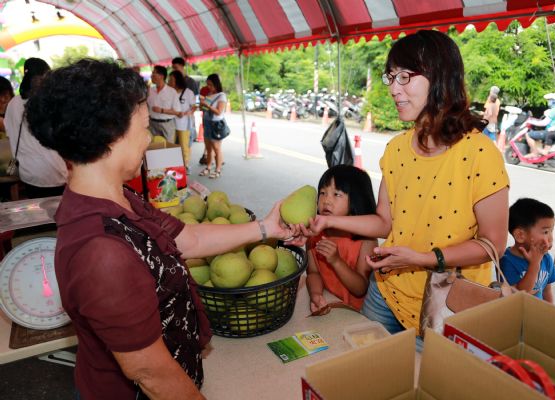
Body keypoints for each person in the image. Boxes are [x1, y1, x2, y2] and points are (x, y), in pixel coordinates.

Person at [25, 59, 300, 400]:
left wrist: (264, 227)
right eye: (144, 126)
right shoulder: (102, 251)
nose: (150, 137)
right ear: (112, 134)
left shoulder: (117, 197)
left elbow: (189, 238)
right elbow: (149, 372)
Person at [301, 30, 509, 338]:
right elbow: (385, 222)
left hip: (443, 305)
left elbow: (493, 245)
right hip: (385, 292)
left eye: (404, 77)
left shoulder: (481, 153)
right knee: (368, 371)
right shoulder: (397, 148)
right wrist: (327, 220)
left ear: (440, 77)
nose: (394, 89)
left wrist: (426, 259)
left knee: (421, 383)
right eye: (390, 78)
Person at [307, 165, 378, 314]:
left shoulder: (366, 239)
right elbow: (313, 273)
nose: (326, 201)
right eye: (323, 193)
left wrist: (336, 261)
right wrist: (316, 295)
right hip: (329, 302)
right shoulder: (314, 234)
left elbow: (360, 288)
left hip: (354, 313)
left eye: (336, 194)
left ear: (356, 200)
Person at [5, 58, 67, 198]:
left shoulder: (13, 103)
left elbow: (10, 132)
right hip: (53, 171)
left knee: (37, 214)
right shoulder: (46, 102)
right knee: (56, 215)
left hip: (28, 173)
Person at [500, 198, 555, 302]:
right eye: (545, 232)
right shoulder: (507, 261)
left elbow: (547, 290)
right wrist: (535, 264)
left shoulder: (546, 258)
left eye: (551, 231)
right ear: (520, 235)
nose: (550, 238)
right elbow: (520, 294)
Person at [198, 74, 227, 179]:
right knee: (208, 148)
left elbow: (219, 112)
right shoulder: (209, 94)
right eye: (207, 84)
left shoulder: (221, 96)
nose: (208, 87)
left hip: (216, 124)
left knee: (217, 148)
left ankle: (218, 169)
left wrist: (207, 106)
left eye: (210, 85)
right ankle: (208, 167)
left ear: (216, 84)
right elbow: (203, 110)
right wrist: (201, 105)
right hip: (207, 122)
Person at [168, 70, 196, 172]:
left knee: (184, 146)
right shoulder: (170, 92)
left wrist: (187, 113)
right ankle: (174, 166)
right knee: (172, 146)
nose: (169, 82)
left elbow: (194, 107)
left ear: (177, 81)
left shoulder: (188, 92)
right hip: (171, 123)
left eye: (171, 80)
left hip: (184, 124)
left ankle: (186, 165)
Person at [524, 93, 555, 157]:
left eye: (549, 100)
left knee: (528, 134)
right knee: (537, 135)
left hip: (549, 132)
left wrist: (531, 121)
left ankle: (535, 153)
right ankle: (539, 152)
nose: (548, 102)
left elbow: (544, 123)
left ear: (554, 101)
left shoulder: (554, 111)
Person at [147, 65, 179, 143]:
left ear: (161, 76)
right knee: (154, 149)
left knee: (168, 149)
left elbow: (177, 111)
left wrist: (161, 110)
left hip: (167, 124)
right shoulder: (150, 91)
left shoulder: (172, 92)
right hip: (152, 124)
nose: (151, 75)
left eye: (154, 73)